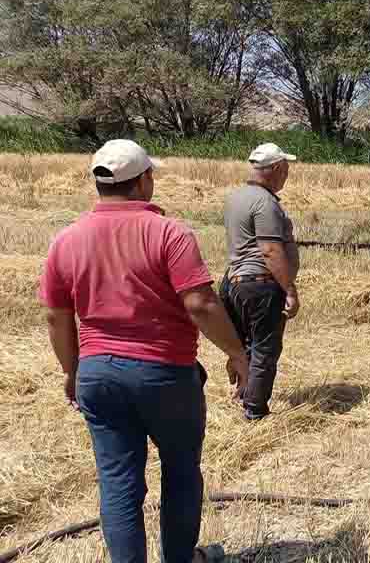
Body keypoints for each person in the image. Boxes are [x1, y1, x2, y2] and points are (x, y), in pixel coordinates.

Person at [38, 139, 249, 563]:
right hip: (164, 373)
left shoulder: (67, 240)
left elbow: (56, 317)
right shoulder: (169, 233)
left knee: (118, 483)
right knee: (182, 473)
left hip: (97, 375)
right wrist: (237, 353)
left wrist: (71, 370)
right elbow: (201, 304)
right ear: (143, 181)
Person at [220, 143, 300, 421]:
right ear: (277, 168)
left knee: (245, 344)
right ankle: (255, 412)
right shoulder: (265, 203)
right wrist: (289, 289)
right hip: (260, 284)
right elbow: (269, 251)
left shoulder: (236, 197)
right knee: (265, 348)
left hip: (234, 282)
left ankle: (243, 392)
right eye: (287, 168)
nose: (287, 174)